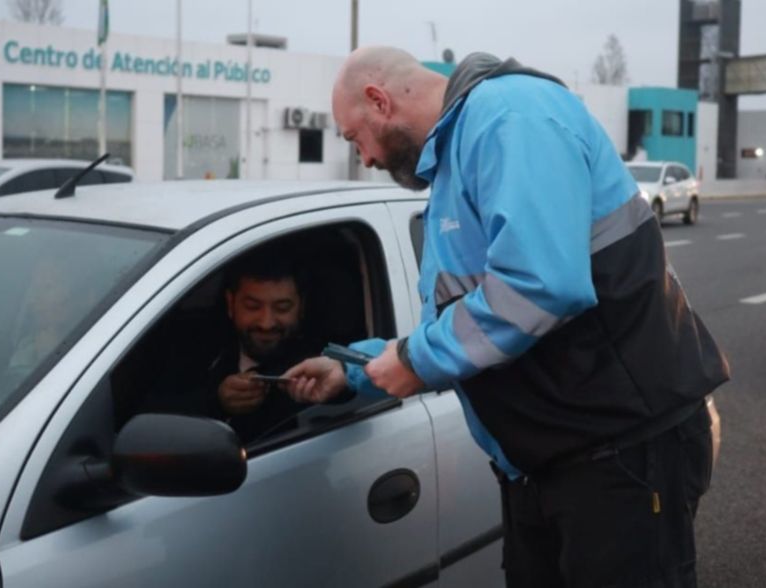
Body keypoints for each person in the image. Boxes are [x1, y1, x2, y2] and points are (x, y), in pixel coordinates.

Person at [284, 47, 730, 587]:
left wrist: (416, 361)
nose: (366, 158)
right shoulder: (456, 165)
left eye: (356, 139)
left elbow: (541, 286)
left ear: (379, 102)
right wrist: (354, 372)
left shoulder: (508, 115)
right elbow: (460, 326)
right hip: (550, 461)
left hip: (618, 454)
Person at [201, 248, 322, 443]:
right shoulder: (196, 350)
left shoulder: (317, 367)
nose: (267, 323)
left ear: (301, 306)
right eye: (253, 307)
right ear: (231, 304)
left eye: (282, 308)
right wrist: (216, 402)